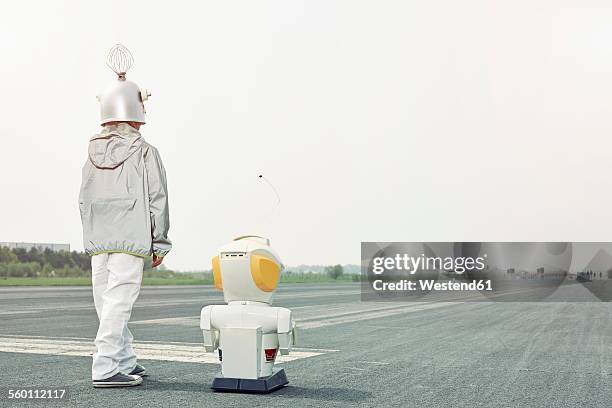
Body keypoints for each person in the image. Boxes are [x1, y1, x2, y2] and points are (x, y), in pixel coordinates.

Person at [79, 45, 171, 388]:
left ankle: (124, 359)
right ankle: (104, 368)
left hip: (99, 240)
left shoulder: (90, 151)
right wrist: (159, 241)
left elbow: (83, 199)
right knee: (118, 301)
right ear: (137, 113)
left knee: (107, 301)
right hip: (131, 238)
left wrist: (91, 237)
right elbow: (158, 199)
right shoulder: (145, 151)